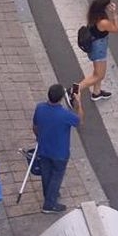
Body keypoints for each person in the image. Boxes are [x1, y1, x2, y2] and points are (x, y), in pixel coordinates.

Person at [33, 83, 82, 214]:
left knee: (46, 174)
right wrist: (78, 103)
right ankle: (49, 204)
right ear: (61, 98)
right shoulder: (65, 115)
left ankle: (49, 194)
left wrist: (39, 138)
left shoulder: (40, 108)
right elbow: (79, 120)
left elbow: (35, 127)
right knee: (56, 176)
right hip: (60, 152)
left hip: (43, 149)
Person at [73, 0, 118, 103]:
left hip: (94, 45)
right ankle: (74, 90)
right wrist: (114, 15)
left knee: (98, 73)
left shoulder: (93, 11)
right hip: (99, 49)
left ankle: (96, 93)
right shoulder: (103, 22)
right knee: (99, 75)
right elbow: (115, 29)